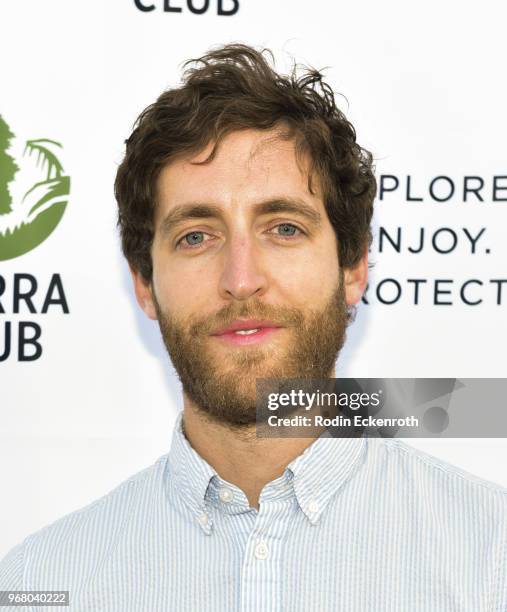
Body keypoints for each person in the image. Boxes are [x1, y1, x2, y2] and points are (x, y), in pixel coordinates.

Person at [0, 43, 505, 611]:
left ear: (354, 267)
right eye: (196, 236)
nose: (241, 280)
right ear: (144, 283)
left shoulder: (490, 561)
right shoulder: (43, 584)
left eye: (284, 228)